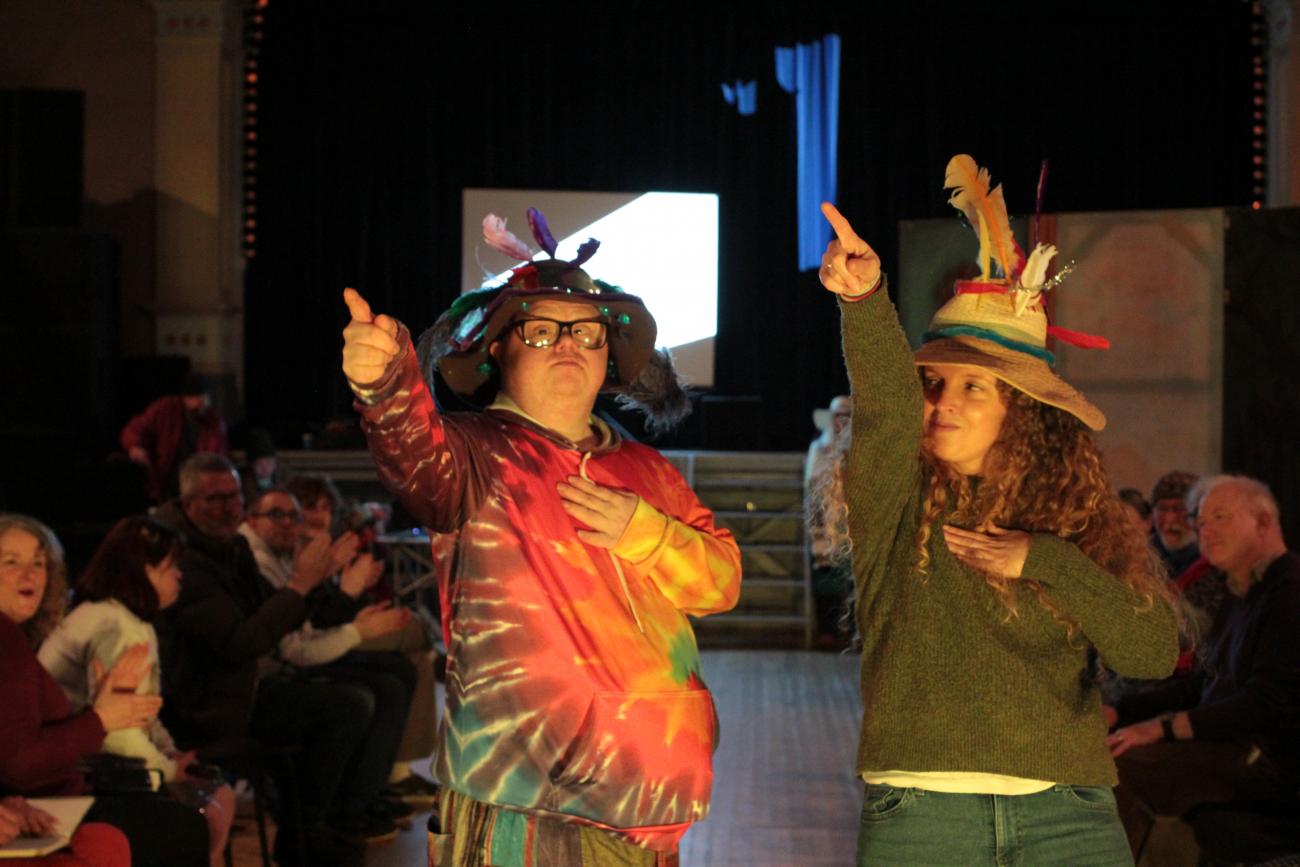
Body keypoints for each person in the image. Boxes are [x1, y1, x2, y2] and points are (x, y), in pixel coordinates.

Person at [341, 208, 742, 866]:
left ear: (609, 353)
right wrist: (384, 383)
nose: (568, 344)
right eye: (544, 329)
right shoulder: (473, 457)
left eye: (586, 333)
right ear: (500, 344)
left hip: (650, 807)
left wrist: (645, 532)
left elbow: (721, 582)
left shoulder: (648, 471)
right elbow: (414, 453)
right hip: (523, 808)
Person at [818, 155, 1179, 866]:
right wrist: (864, 302)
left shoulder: (1073, 517)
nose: (943, 400)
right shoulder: (895, 499)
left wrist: (1042, 559)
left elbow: (1152, 652)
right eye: (935, 381)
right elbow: (888, 409)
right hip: (922, 815)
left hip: (1068, 812)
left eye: (974, 387)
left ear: (1024, 410)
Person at [151, 453, 373, 865]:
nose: (227, 507)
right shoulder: (183, 559)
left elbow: (278, 612)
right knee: (347, 705)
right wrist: (303, 584)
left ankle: (330, 821)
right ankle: (303, 835)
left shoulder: (230, 546)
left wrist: (323, 585)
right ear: (186, 503)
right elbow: (242, 641)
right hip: (207, 707)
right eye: (214, 499)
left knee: (373, 685)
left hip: (243, 686)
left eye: (234, 496)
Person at [1106, 475, 1300, 863]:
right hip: (1229, 743)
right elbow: (1202, 683)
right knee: (1109, 749)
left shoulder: (1290, 590)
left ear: (1263, 522)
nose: (1205, 529)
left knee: (1117, 770)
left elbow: (1268, 703)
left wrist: (1162, 729)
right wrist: (1120, 711)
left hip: (1269, 757)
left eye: (1220, 517)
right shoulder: (1241, 589)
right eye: (1203, 520)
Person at [0, 513, 209, 867]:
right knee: (186, 823)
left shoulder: (16, 636)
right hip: (55, 797)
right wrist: (101, 718)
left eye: (39, 562)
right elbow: (21, 760)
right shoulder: (7, 638)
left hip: (45, 799)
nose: (30, 574)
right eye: (10, 562)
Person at [282, 474, 443, 807]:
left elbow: (326, 610)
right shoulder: (295, 550)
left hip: (330, 633)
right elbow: (309, 619)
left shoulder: (322, 545)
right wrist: (347, 592)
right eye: (310, 506)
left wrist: (349, 595)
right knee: (411, 636)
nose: (317, 514)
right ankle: (382, 782)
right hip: (312, 646)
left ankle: (394, 774)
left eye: (325, 507)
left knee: (413, 660)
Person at [121, 374, 229, 503]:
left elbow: (218, 457)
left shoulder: (214, 423)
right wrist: (134, 446)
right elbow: (135, 428)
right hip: (164, 475)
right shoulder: (165, 408)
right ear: (184, 399)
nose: (199, 411)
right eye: (194, 409)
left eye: (203, 406)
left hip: (195, 479)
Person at [806, 396, 854, 646]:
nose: (841, 421)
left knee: (854, 579)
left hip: (852, 524)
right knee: (827, 579)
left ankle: (854, 632)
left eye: (846, 416)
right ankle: (828, 631)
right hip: (826, 522)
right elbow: (812, 487)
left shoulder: (859, 449)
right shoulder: (821, 448)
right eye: (838, 416)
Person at [1149, 471, 1201, 579]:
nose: (1170, 519)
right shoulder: (1140, 558)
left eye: (1179, 509)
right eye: (1162, 509)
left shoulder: (1214, 563)